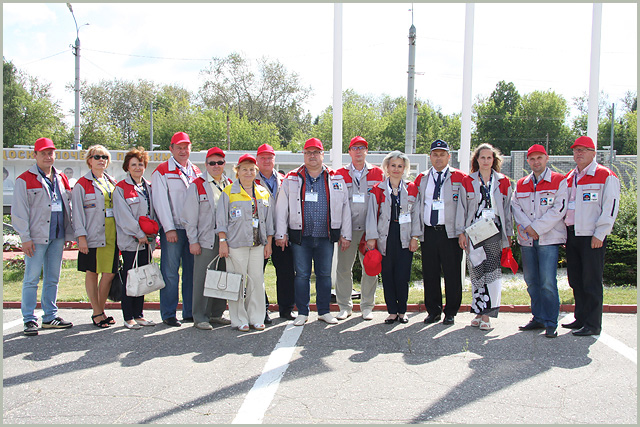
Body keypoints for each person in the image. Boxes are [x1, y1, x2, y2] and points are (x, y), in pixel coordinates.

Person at [275, 138, 352, 326]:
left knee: (324, 275)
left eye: (316, 152)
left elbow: (345, 208)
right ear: (304, 155)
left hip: (325, 236)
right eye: (308, 152)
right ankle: (302, 312)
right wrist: (281, 233)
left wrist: (346, 234)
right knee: (301, 275)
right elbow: (281, 208)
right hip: (301, 237)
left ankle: (324, 311)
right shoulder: (292, 178)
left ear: (322, 155)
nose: (312, 156)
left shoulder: (336, 177)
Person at [12, 137, 74, 335]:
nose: (48, 156)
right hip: (36, 238)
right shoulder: (24, 179)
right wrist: (25, 237)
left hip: (57, 235)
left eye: (51, 153)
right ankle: (29, 319)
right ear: (35, 155)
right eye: (44, 153)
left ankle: (49, 316)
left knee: (52, 278)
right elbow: (19, 211)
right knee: (31, 279)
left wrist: (69, 233)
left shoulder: (61, 177)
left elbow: (68, 207)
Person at [562, 136, 620, 336]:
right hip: (573, 234)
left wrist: (600, 234)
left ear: (593, 153)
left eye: (583, 150)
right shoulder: (570, 177)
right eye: (576, 150)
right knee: (576, 280)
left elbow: (610, 207)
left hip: (591, 237)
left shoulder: (605, 175)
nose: (579, 153)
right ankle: (581, 318)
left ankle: (593, 324)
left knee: (591, 280)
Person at [511, 144, 568, 338]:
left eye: (539, 158)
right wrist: (529, 228)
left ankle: (551, 321)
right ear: (528, 161)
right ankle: (538, 317)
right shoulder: (521, 184)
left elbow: (559, 209)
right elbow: (515, 206)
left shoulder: (559, 181)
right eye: (532, 159)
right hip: (527, 240)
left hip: (548, 240)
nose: (536, 162)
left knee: (547, 282)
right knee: (532, 281)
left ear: (546, 158)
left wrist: (537, 228)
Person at [458, 143, 513, 331]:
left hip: (494, 233)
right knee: (476, 273)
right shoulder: (468, 181)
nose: (486, 161)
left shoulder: (503, 181)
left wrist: (509, 235)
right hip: (474, 232)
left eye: (489, 158)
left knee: (492, 274)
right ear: (477, 160)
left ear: (494, 160)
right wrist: (461, 233)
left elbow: (507, 211)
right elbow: (462, 209)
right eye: (482, 157)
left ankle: (488, 315)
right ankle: (478, 311)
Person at [216, 154, 274, 331]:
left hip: (258, 244)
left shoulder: (263, 192)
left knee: (256, 281)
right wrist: (223, 242)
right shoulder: (228, 192)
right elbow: (221, 221)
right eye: (244, 169)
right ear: (237, 171)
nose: (248, 172)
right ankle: (239, 319)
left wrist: (269, 243)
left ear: (256, 171)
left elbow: (269, 221)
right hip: (235, 244)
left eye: (251, 169)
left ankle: (256, 317)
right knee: (237, 282)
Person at [414, 140, 468, 325]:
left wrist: (462, 232)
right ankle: (433, 311)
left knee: (452, 274)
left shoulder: (460, 177)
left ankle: (451, 311)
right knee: (430, 274)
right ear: (430, 157)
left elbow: (463, 207)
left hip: (450, 233)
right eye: (435, 154)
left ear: (448, 157)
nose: (438, 157)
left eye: (442, 154)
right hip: (429, 231)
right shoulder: (422, 178)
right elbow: (416, 206)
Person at [152, 131, 201, 327]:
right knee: (170, 272)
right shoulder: (162, 171)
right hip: (173, 229)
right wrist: (168, 228)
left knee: (191, 271)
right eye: (179, 147)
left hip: (192, 231)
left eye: (186, 147)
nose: (183, 150)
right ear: (171, 149)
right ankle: (169, 313)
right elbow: (160, 202)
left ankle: (189, 311)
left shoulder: (196, 171)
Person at [181, 146, 232, 330]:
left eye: (220, 162)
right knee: (203, 278)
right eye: (212, 163)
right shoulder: (197, 185)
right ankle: (200, 316)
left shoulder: (230, 183)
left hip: (226, 240)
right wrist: (193, 241)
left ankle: (216, 314)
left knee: (222, 276)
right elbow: (188, 217)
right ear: (206, 164)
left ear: (224, 164)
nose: (216, 166)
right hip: (205, 240)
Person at [366, 151, 420, 324]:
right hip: (385, 237)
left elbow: (416, 215)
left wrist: (415, 237)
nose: (396, 169)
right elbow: (371, 215)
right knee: (387, 275)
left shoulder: (412, 188)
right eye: (393, 165)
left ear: (404, 168)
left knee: (402, 275)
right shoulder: (378, 189)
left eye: (400, 166)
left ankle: (402, 311)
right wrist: (372, 238)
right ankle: (392, 311)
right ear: (387, 168)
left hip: (404, 236)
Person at [334, 136, 384, 321]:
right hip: (347, 230)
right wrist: (341, 232)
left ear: (366, 151)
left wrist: (375, 232)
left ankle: (367, 306)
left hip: (369, 230)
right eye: (354, 148)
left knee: (370, 268)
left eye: (362, 147)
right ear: (349, 152)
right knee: (344, 269)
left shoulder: (378, 173)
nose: (358, 151)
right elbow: (336, 203)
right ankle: (345, 306)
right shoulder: (339, 174)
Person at [72, 144, 119, 328]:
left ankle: (101, 309)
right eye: (97, 157)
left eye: (104, 157)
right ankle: (97, 312)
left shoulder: (111, 182)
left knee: (109, 274)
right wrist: (81, 237)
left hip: (111, 236)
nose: (101, 160)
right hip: (92, 235)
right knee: (92, 272)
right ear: (89, 160)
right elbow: (76, 213)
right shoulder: (81, 184)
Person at [112, 147, 157, 329]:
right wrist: (139, 234)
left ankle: (139, 314)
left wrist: (151, 234)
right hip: (131, 242)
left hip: (147, 242)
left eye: (140, 164)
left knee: (143, 278)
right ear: (127, 167)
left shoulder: (148, 186)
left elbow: (154, 212)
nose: (138, 167)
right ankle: (128, 316)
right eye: (134, 165)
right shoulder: (121, 189)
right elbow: (123, 217)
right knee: (131, 279)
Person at [255, 143, 296, 321]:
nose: (266, 161)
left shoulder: (284, 179)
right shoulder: (249, 179)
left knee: (286, 273)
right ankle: (261, 310)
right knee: (256, 274)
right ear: (257, 160)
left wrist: (283, 232)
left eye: (269, 157)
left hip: (281, 234)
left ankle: (286, 309)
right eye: (262, 157)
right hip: (258, 235)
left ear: (274, 159)